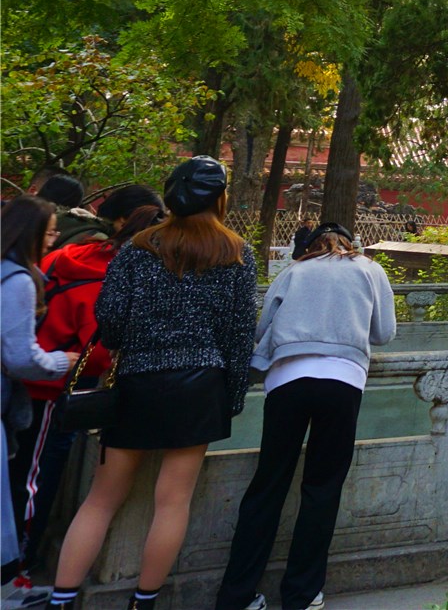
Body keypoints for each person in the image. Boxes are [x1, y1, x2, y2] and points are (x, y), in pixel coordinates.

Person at [48, 157, 257, 610]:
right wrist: (232, 397)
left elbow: (109, 319)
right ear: (220, 198)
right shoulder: (236, 252)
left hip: (138, 380)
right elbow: (240, 334)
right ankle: (144, 600)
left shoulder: (139, 247)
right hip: (201, 384)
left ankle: (61, 598)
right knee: (172, 501)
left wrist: (136, 343)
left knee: (101, 499)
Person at [214, 222, 395, 610]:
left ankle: (237, 596)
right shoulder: (369, 269)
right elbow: (384, 333)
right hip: (342, 382)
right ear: (351, 242)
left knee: (268, 486)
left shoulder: (293, 271)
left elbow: (261, 328)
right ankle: (301, 593)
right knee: (322, 489)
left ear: (308, 247)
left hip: (287, 381)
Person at [17, 186, 164, 562]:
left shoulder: (68, 254)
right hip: (55, 381)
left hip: (27, 373)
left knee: (21, 468)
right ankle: (22, 561)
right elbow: (97, 352)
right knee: (37, 476)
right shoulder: (113, 276)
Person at [3, 197, 81, 594]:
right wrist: (60, 361)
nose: (53, 240)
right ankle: (12, 583)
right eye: (50, 231)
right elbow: (18, 356)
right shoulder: (18, 279)